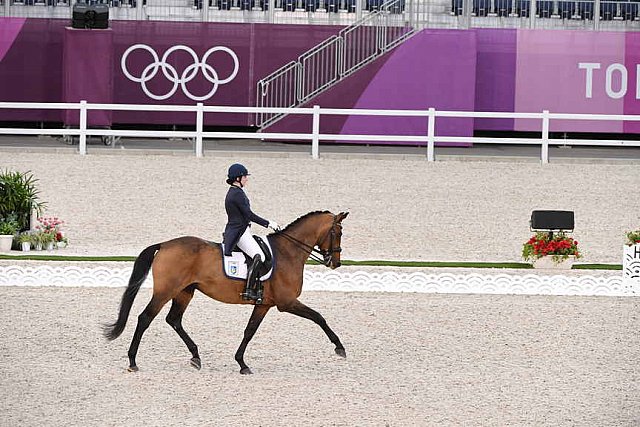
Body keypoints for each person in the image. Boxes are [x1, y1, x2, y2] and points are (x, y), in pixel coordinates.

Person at [223, 163, 280, 302]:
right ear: (238, 178)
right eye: (244, 176)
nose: (246, 179)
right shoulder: (236, 194)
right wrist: (268, 223)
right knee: (259, 255)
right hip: (239, 232)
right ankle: (249, 290)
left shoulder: (236, 192)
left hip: (242, 230)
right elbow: (249, 215)